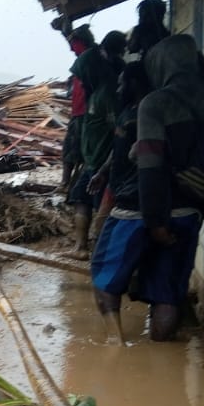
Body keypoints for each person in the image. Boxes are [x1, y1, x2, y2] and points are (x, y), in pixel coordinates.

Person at [90, 34, 204, 342]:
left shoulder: (155, 103)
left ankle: (115, 347)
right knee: (168, 292)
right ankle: (161, 354)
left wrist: (155, 223)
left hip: (142, 209)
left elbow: (150, 169)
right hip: (191, 209)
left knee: (104, 276)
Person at [66, 29, 125, 255]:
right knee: (80, 197)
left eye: (81, 78)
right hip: (92, 160)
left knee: (103, 208)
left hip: (103, 163)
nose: (80, 83)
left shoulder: (108, 94)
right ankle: (80, 247)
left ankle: (101, 254)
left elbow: (117, 135)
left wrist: (104, 167)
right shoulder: (97, 92)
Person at [60, 25, 94, 200]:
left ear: (80, 42)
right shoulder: (83, 58)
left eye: (73, 44)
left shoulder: (91, 57)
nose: (71, 49)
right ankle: (65, 184)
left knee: (80, 151)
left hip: (86, 114)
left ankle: (73, 186)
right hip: (77, 112)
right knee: (69, 150)